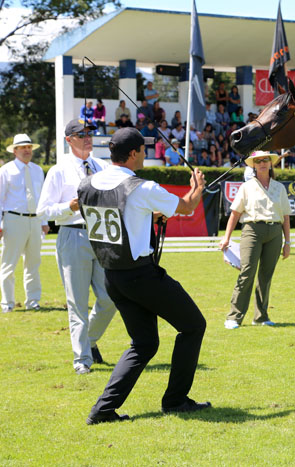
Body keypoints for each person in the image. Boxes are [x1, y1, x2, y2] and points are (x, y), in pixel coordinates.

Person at [79, 128, 210, 424]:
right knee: (193, 326)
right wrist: (197, 186)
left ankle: (103, 410)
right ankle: (176, 401)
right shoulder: (141, 187)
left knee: (145, 343)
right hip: (141, 275)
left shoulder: (87, 184)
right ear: (135, 152)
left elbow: (119, 216)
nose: (146, 155)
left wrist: (149, 216)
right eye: (143, 150)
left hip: (113, 275)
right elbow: (186, 207)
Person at [37, 119, 116, 375]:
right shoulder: (58, 171)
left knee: (110, 299)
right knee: (77, 303)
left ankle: (89, 342)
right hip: (72, 235)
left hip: (101, 235)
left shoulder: (102, 167)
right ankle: (81, 359)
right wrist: (67, 207)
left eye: (90, 133)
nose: (87, 137)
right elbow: (42, 212)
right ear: (69, 139)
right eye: (80, 134)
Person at [219, 151, 291, 329]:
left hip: (275, 232)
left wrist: (287, 243)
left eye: (265, 160)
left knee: (266, 276)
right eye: (258, 161)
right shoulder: (246, 187)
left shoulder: (279, 188)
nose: (262, 164)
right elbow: (234, 214)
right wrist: (226, 238)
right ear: (254, 166)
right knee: (247, 273)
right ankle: (234, 317)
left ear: (270, 163)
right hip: (252, 230)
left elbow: (286, 216)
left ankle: (261, 316)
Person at [0, 134, 49, 313]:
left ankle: (33, 301)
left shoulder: (37, 170)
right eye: (23, 147)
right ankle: (7, 303)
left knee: (33, 263)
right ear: (15, 150)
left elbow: (41, 198)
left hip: (34, 220)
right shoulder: (5, 170)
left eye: (29, 147)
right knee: (9, 264)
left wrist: (44, 221)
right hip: (13, 219)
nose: (27, 150)